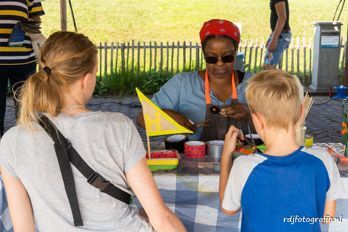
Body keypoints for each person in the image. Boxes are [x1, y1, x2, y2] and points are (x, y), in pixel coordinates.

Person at [0, 31, 186, 232]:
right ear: (86, 79)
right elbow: (161, 218)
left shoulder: (11, 141)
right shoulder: (118, 127)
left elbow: (23, 228)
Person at [219, 70, 343, 231]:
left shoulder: (244, 166)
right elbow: (328, 216)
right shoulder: (323, 159)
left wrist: (226, 157)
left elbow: (228, 209)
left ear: (257, 120)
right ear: (301, 113)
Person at [137, 19, 251, 141]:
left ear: (235, 52)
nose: (220, 64)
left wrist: (249, 113)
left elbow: (274, 122)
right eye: (212, 58)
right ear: (204, 54)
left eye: (227, 57)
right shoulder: (182, 84)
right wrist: (170, 117)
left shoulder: (253, 84)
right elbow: (143, 119)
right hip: (194, 158)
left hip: (244, 159)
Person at [0, 0, 45, 138]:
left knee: (25, 105)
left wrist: (29, 23)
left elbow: (37, 18)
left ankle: (26, 140)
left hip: (24, 61)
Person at [264, 0, 292, 70]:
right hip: (280, 34)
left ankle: (284, 80)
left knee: (269, 68)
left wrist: (274, 39)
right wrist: (272, 36)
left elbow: (282, 17)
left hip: (281, 35)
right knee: (267, 67)